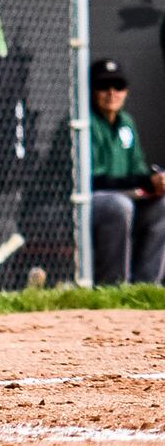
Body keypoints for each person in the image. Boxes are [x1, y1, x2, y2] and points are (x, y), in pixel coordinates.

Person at [88, 58, 165, 285]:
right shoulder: (84, 123)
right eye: (104, 86)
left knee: (162, 205)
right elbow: (94, 181)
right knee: (118, 206)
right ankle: (113, 287)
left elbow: (138, 169)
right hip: (85, 202)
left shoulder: (126, 123)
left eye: (118, 86)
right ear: (92, 90)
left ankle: (146, 287)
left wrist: (156, 179)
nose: (112, 93)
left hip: (124, 196)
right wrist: (144, 181)